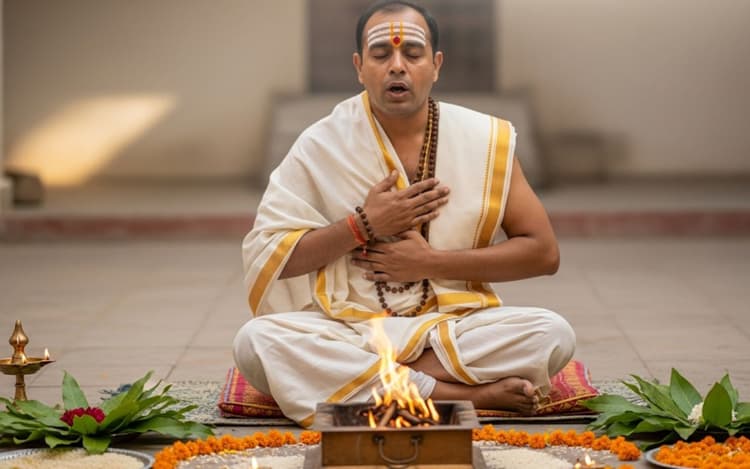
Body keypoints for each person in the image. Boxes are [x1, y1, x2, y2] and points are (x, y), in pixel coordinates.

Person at [233, 0, 576, 427]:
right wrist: (362, 225)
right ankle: (462, 394)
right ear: (359, 67)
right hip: (350, 329)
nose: (397, 66)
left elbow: (543, 253)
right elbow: (269, 257)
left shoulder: (485, 139)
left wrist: (430, 263)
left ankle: (374, 382)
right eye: (381, 54)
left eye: (412, 53)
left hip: (449, 328)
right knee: (257, 342)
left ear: (436, 65)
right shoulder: (320, 145)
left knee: (552, 333)